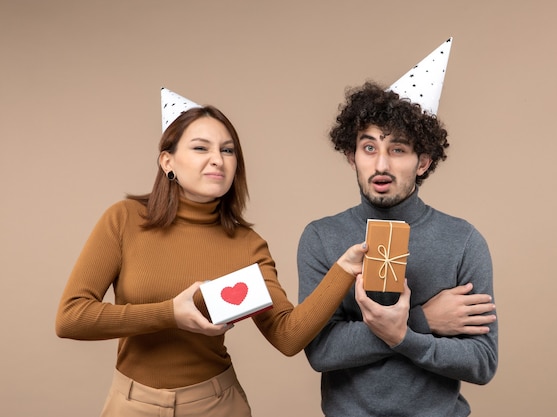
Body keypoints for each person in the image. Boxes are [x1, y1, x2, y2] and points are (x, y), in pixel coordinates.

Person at [55, 93, 367, 417]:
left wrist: (344, 269)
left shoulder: (247, 245)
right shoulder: (124, 219)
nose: (218, 159)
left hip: (217, 405)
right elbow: (71, 318)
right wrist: (170, 314)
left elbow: (287, 336)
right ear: (168, 162)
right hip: (131, 404)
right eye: (201, 148)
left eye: (227, 150)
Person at [297, 81, 498, 416]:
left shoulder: (463, 240)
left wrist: (403, 335)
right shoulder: (321, 237)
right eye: (370, 148)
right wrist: (421, 320)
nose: (381, 166)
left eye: (398, 149)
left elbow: (482, 362)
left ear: (423, 163)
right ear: (352, 156)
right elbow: (321, 351)